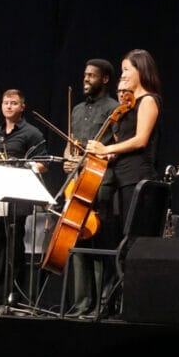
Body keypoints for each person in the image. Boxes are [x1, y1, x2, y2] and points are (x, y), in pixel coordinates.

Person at [85, 49, 162, 314]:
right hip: (121, 179)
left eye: (127, 69)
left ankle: (136, 305)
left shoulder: (148, 101)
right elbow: (123, 144)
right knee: (119, 242)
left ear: (141, 70)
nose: (124, 75)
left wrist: (106, 150)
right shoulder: (126, 105)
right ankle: (117, 305)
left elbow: (141, 140)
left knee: (134, 242)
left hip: (139, 179)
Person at [64, 59, 120, 317]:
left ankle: (101, 305)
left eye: (92, 76)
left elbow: (118, 148)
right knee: (76, 238)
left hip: (101, 182)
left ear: (105, 79)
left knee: (99, 242)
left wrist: (97, 159)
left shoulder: (115, 109)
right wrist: (67, 160)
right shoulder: (75, 110)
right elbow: (71, 143)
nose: (86, 79)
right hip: (77, 182)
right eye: (85, 75)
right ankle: (81, 302)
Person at [0, 89, 48, 309]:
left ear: (22, 107)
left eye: (13, 103)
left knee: (14, 248)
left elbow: (43, 164)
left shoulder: (32, 133)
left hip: (19, 197)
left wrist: (19, 164)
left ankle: (14, 298)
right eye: (5, 102)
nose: (8, 106)